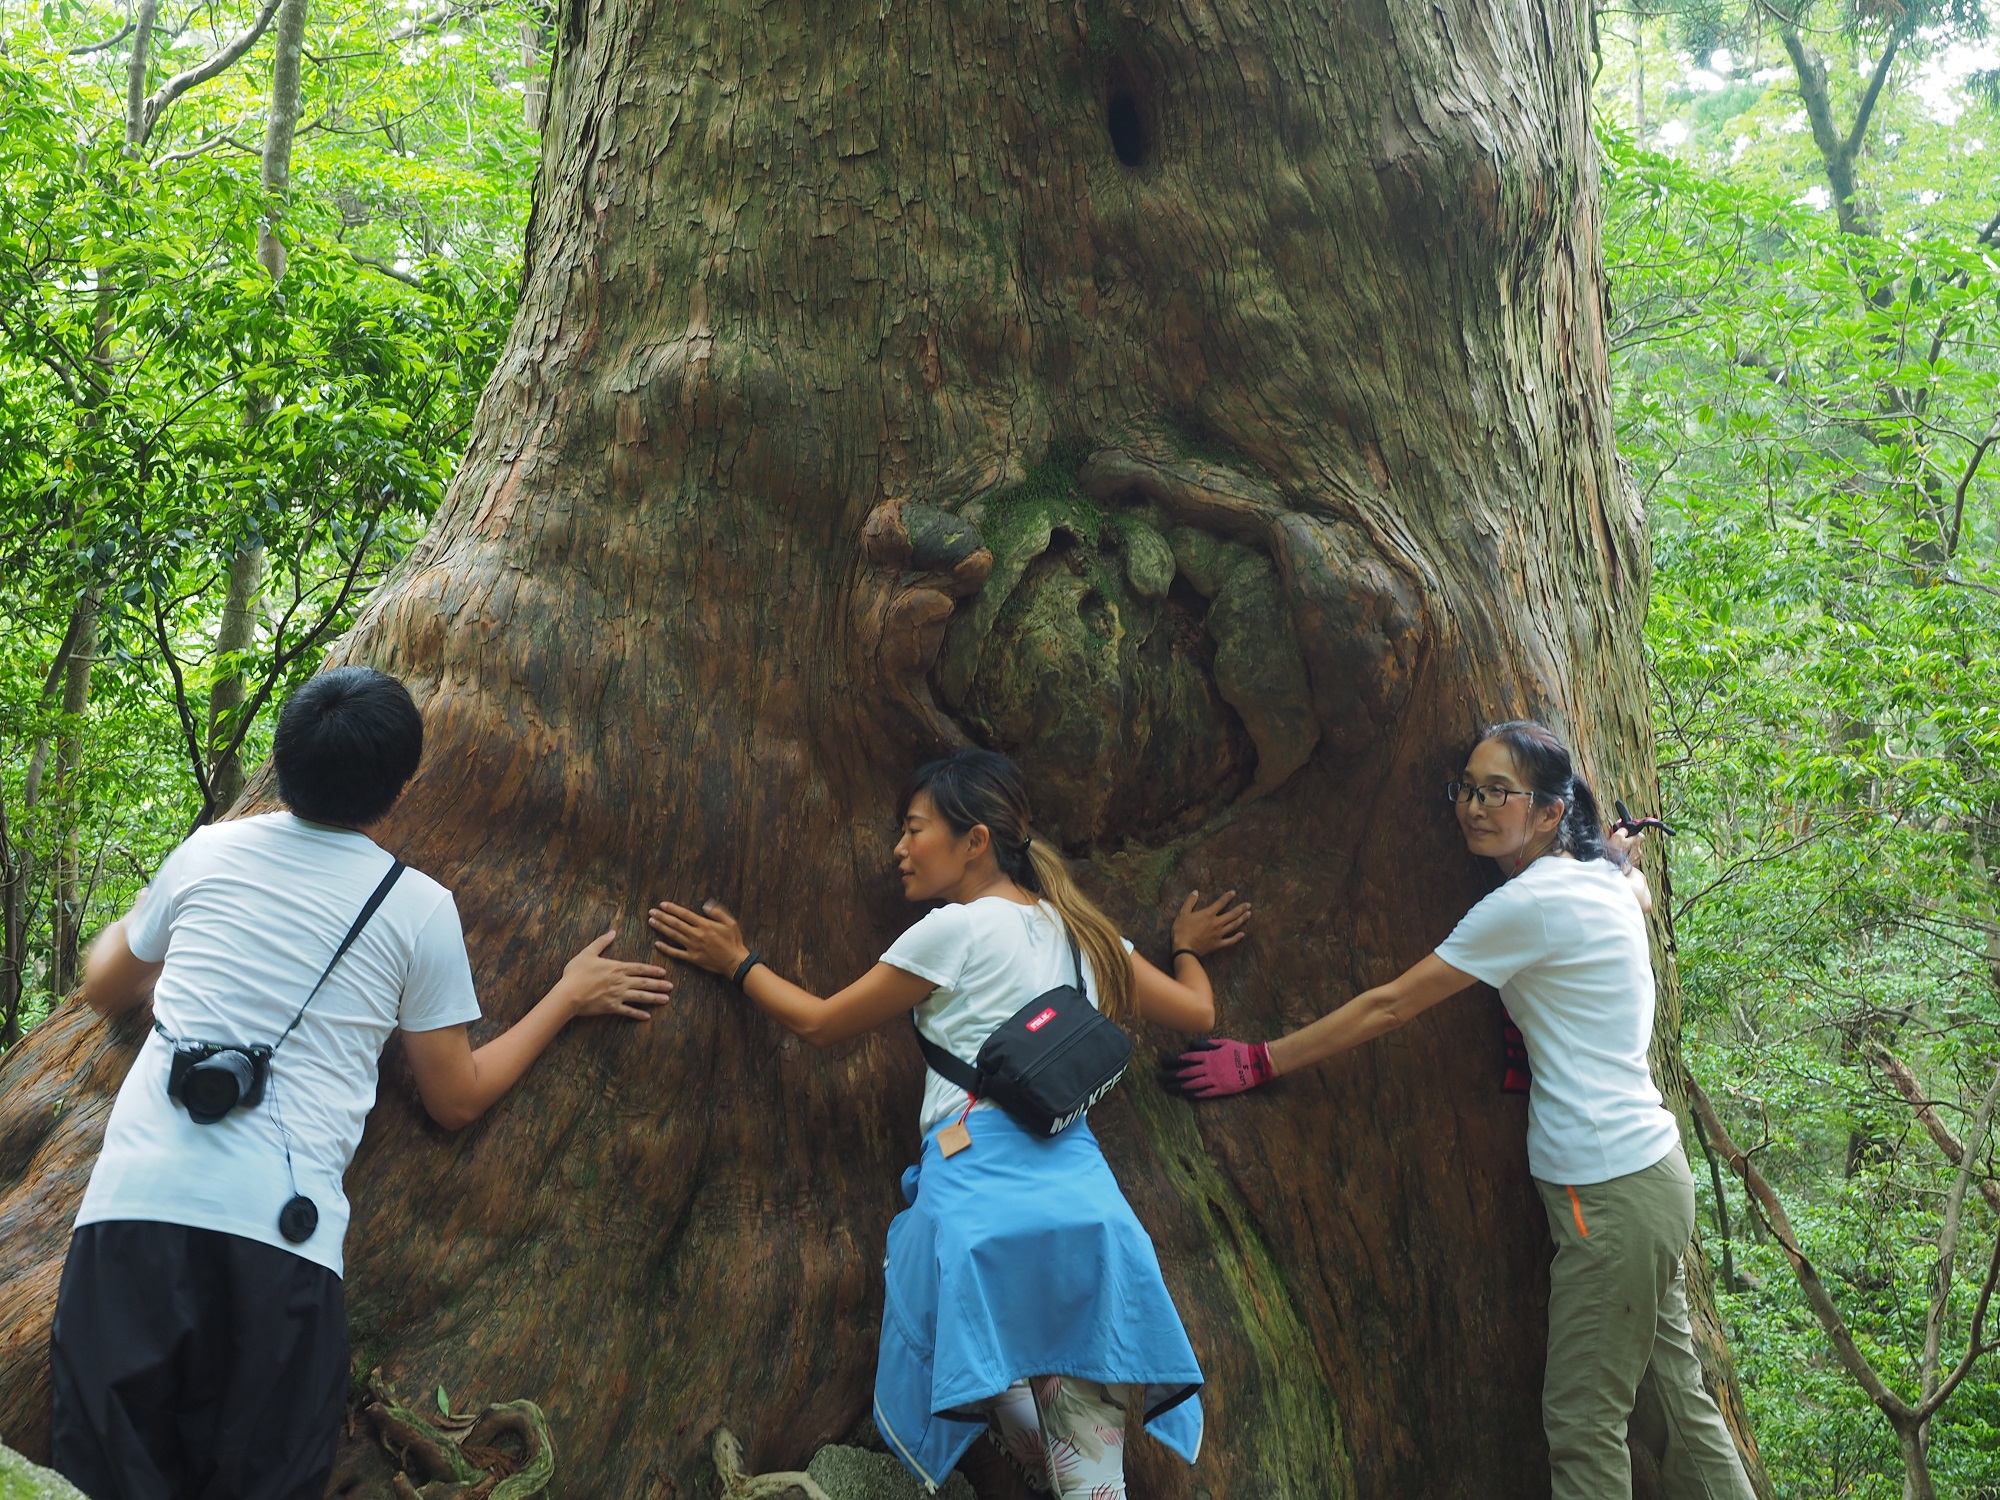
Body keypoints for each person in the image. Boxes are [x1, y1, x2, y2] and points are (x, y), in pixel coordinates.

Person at [54, 666, 674, 1500]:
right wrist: (564, 997)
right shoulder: (415, 908)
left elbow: (103, 983)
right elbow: (454, 1098)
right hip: (280, 1250)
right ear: (404, 785)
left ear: (280, 757)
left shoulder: (209, 851)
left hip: (130, 1219)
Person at [1164, 720, 1755, 1500]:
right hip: (1651, 1176)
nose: (1474, 807)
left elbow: (1390, 1005)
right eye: (1467, 789)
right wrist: (1618, 854)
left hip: (1604, 1191)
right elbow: (1637, 889)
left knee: (1585, 1424)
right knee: (1673, 1405)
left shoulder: (1529, 904)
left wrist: (1261, 1059)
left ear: (1549, 811)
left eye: (1497, 793)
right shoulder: (1603, 877)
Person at [648, 748, 1248, 1498]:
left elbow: (823, 1023)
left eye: (914, 829)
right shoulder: (1087, 934)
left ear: (976, 841)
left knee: (937, 1304)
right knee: (1092, 1459)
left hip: (978, 1205)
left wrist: (737, 960)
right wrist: (1186, 948)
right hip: (1087, 1210)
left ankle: (1024, 1441)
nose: (899, 848)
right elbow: (1197, 1013)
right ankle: (1070, 1464)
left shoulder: (952, 930)